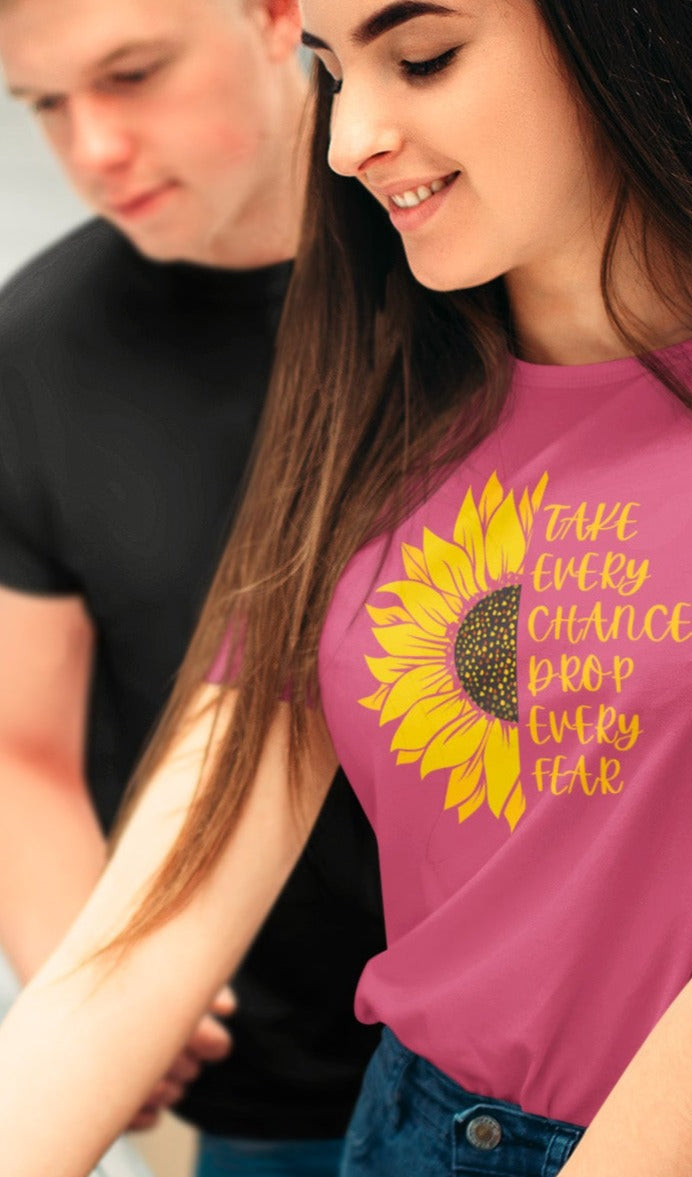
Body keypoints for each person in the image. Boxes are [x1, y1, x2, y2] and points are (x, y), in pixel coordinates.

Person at [0, 1, 692, 1174]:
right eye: (331, 71)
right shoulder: (378, 399)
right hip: (400, 1127)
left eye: (421, 58)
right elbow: (162, 908)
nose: (349, 136)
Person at [0, 0, 385, 1173]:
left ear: (279, 15)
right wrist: (90, 969)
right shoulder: (38, 353)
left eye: (132, 74)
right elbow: (22, 744)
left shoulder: (455, 270)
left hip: (558, 1061)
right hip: (258, 1097)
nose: (92, 149)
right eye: (47, 106)